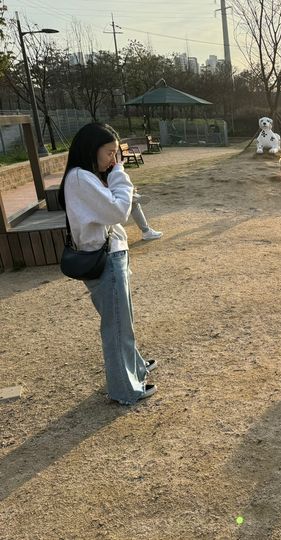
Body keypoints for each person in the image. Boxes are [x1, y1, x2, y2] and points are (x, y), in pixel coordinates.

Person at [60, 123, 157, 405]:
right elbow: (117, 210)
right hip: (105, 259)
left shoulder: (85, 176)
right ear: (92, 150)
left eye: (116, 154)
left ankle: (135, 367)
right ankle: (125, 389)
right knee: (116, 326)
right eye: (110, 153)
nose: (113, 160)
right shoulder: (80, 178)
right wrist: (120, 175)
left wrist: (114, 177)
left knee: (121, 322)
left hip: (110, 254)